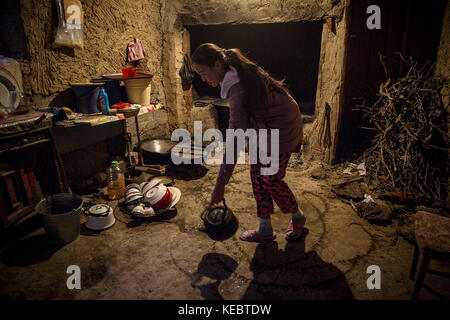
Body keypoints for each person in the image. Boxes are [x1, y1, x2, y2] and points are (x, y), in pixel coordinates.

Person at [191, 43, 306, 242]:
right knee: (257, 175)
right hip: (264, 125)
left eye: (203, 73)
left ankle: (297, 216)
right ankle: (265, 228)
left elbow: (234, 140)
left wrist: (220, 185)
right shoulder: (234, 72)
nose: (203, 79)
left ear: (218, 65)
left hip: (283, 126)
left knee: (271, 180)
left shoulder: (238, 86)